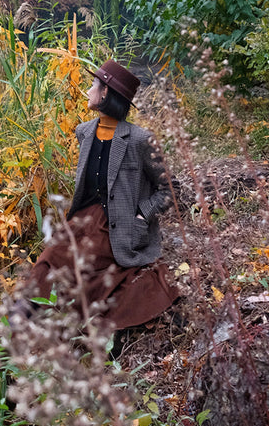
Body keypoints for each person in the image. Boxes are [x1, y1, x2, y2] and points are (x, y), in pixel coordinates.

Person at [21, 59, 179, 330]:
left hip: (117, 226)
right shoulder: (84, 132)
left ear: (105, 93)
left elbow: (170, 189)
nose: (87, 91)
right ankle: (8, 337)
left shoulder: (140, 140)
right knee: (48, 260)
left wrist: (142, 216)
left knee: (82, 270)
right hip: (82, 220)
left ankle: (62, 332)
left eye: (93, 85)